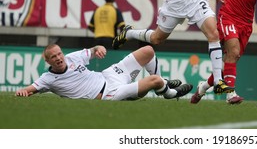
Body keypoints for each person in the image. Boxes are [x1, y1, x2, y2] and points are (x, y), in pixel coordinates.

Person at [15, 44, 193, 101]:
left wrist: (98, 48)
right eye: (53, 57)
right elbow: (29, 89)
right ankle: (170, 92)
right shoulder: (48, 79)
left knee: (148, 50)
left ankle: (163, 83)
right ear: (47, 61)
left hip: (109, 76)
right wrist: (23, 91)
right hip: (108, 93)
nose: (59, 58)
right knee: (153, 80)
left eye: (59, 54)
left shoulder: (72, 58)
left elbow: (93, 50)